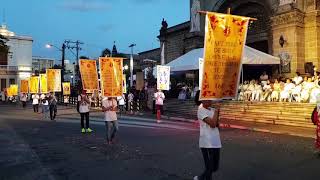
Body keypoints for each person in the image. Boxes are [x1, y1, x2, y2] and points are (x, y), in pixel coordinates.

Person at [194, 100, 221, 180]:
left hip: (216, 140)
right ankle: (202, 178)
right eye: (207, 99)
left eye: (210, 99)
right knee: (209, 167)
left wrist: (217, 111)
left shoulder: (212, 109)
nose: (210, 100)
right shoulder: (201, 110)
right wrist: (216, 111)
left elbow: (216, 123)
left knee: (214, 167)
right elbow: (212, 124)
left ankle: (201, 178)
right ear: (202, 100)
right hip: (207, 142)